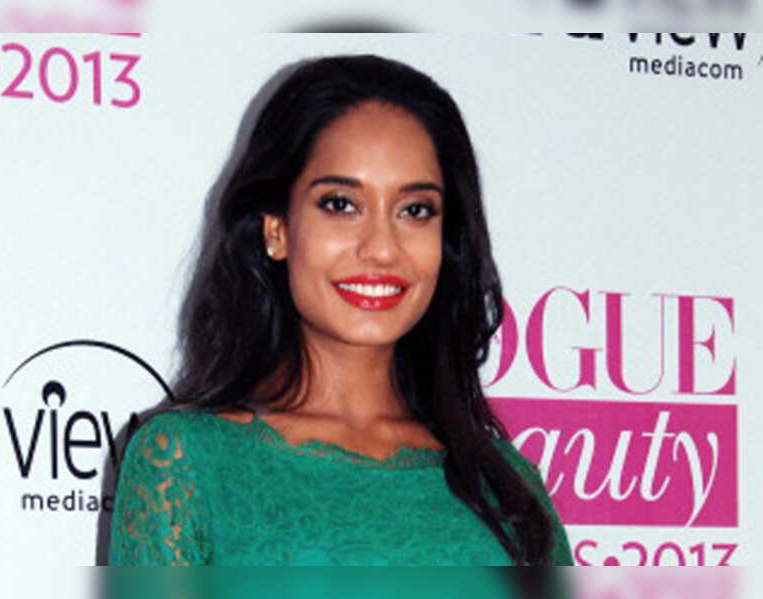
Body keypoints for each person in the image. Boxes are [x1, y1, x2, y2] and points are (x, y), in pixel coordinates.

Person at [108, 54, 573, 567]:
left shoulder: (506, 485)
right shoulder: (186, 461)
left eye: (415, 210)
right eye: (340, 204)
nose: (382, 248)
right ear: (277, 229)